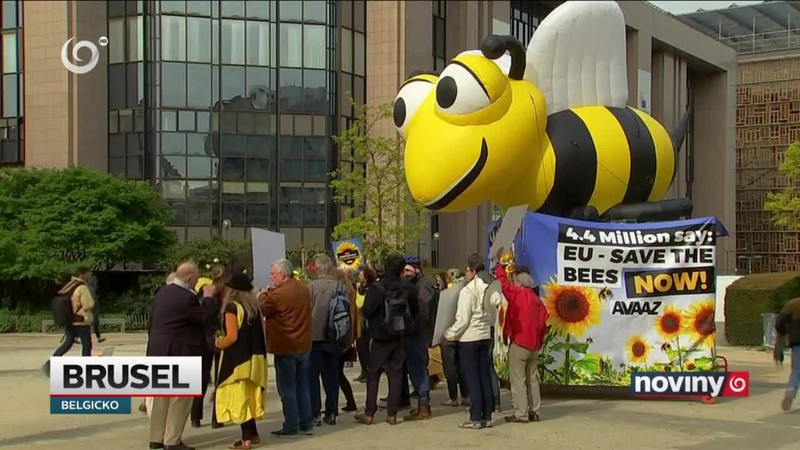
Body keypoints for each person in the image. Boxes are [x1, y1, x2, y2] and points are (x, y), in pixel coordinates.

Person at [354, 254, 419, 426]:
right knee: (396, 373)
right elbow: (415, 309)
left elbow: (367, 311)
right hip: (399, 334)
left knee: (373, 373)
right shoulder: (407, 287)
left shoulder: (377, 287)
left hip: (380, 335)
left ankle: (369, 412)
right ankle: (392, 414)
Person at [147, 262, 205, 450]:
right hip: (180, 351)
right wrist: (208, 300)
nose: (197, 281)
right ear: (189, 278)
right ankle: (172, 440)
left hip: (158, 350)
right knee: (181, 398)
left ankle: (156, 438)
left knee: (161, 397)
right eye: (196, 277)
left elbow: (152, 322)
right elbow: (202, 320)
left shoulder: (162, 293)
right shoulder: (188, 298)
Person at [259, 259, 314, 438]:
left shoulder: (278, 294)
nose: (271, 277)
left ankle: (291, 425)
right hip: (304, 344)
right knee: (303, 386)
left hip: (286, 345)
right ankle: (306, 423)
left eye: (273, 274)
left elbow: (262, 309)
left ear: (281, 274)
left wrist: (262, 294)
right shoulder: (303, 288)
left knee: (287, 389)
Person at [214, 271, 268, 450]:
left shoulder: (232, 307)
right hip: (256, 359)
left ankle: (245, 439)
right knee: (250, 398)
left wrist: (218, 343)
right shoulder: (255, 308)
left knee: (239, 400)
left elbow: (232, 337)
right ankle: (253, 434)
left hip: (238, 362)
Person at [494, 248, 549, 423]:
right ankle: (535, 411)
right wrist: (539, 342)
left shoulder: (518, 294)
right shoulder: (538, 302)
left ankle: (521, 413)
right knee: (532, 379)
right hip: (534, 345)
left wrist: (499, 266)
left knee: (518, 379)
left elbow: (503, 284)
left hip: (519, 343)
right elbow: (544, 325)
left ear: (519, 283)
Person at [444, 254, 498, 430]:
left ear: (473, 271)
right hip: (485, 336)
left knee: (473, 379)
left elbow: (463, 320)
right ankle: (487, 416)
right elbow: (493, 316)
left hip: (469, 338)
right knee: (484, 377)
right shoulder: (490, 290)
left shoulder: (468, 291)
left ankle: (475, 417)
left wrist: (450, 334)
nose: (465, 273)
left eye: (467, 270)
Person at [307, 254, 344, 426]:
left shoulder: (311, 286)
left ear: (316, 268)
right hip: (334, 336)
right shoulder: (339, 286)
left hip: (314, 338)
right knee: (332, 377)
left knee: (312, 378)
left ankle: (315, 413)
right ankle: (331, 412)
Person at [42, 267, 96, 377]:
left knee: (67, 343)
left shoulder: (69, 285)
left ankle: (50, 363)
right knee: (87, 345)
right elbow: (88, 304)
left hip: (69, 319)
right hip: (81, 320)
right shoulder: (82, 287)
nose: (89, 277)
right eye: (88, 274)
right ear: (82, 275)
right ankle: (86, 369)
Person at [400, 256, 437, 421]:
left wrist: (411, 328)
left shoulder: (423, 286)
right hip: (415, 333)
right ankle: (422, 405)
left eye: (408, 270)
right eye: (404, 271)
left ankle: (423, 406)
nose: (406, 274)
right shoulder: (416, 285)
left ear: (417, 269)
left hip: (418, 334)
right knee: (416, 369)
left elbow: (423, 313)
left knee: (419, 369)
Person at [192, 266, 226, 429]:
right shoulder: (223, 297)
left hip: (203, 340)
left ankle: (195, 416)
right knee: (219, 378)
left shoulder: (202, 295)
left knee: (201, 378)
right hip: (219, 339)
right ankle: (216, 417)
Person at [140, 272, 177, 416]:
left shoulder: (159, 298)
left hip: (156, 343)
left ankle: (147, 401)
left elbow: (151, 323)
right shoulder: (176, 299)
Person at [331, 267, 358, 412]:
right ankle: (349, 402)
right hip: (347, 336)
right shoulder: (350, 292)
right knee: (338, 374)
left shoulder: (339, 294)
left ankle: (335, 406)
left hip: (338, 337)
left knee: (335, 374)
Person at [775, 297, 800, 411]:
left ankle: (791, 390)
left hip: (797, 341)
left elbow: (779, 322)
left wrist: (783, 333)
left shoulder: (793, 303)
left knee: (796, 370)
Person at [354, 266, 378, 383]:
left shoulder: (371, 290)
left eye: (361, 274)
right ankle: (363, 370)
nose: (359, 276)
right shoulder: (359, 288)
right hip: (359, 323)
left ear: (366, 277)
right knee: (360, 348)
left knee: (367, 349)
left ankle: (369, 372)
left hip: (368, 324)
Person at [88, 276, 106, 343]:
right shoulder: (91, 289)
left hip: (92, 309)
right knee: (92, 324)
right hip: (92, 310)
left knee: (94, 325)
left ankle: (99, 337)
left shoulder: (89, 289)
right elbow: (92, 300)